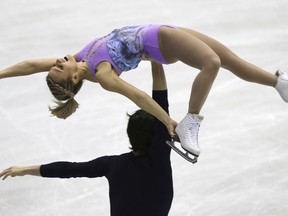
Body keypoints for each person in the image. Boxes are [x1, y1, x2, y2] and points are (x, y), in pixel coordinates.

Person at [1, 24, 288, 159]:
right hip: (160, 41)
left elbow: (29, 64)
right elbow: (139, 97)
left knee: (230, 61)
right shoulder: (103, 75)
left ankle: (280, 85)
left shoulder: (79, 58)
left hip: (162, 31)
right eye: (60, 67)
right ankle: (191, 121)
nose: (59, 60)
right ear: (74, 78)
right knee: (211, 62)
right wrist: (167, 120)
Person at [0, 62, 173, 216]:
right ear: (158, 134)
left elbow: (68, 169)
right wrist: (156, 58)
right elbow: (161, 103)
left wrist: (25, 169)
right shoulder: (158, 158)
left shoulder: (113, 165)